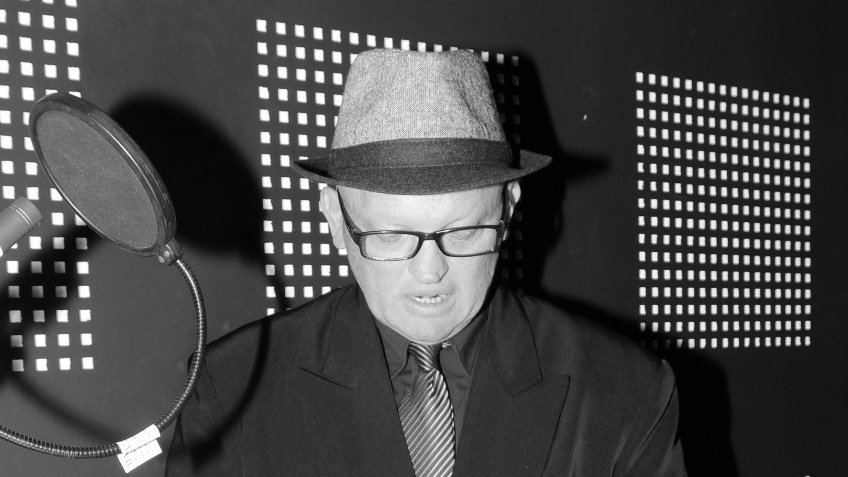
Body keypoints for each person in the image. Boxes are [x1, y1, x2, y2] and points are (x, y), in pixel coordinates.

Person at [165, 48, 686, 476]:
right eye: (391, 235)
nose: (430, 271)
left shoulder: (627, 391)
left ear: (508, 208)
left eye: (464, 231)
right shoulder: (229, 388)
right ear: (335, 217)